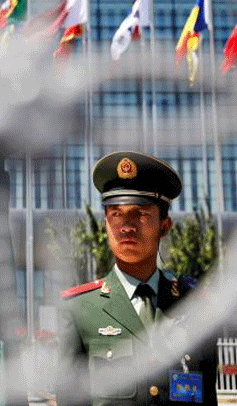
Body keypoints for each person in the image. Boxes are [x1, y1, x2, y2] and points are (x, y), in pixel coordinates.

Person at [57, 151, 217, 406]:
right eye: (116, 214)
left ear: (165, 226)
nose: (127, 226)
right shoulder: (81, 309)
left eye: (141, 214)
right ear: (106, 224)